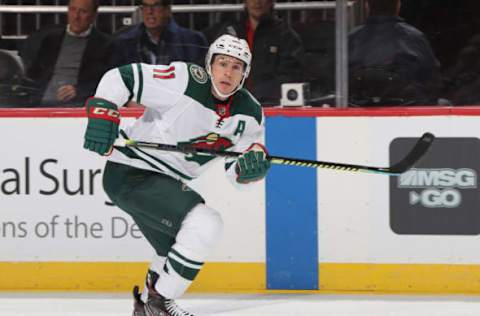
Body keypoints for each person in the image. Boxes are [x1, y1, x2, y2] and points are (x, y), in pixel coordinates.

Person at [82, 34, 270, 316]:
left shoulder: (250, 115)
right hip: (131, 172)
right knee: (206, 223)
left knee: (172, 249)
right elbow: (121, 77)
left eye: (236, 66)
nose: (228, 72)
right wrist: (103, 112)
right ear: (209, 65)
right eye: (222, 63)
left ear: (245, 73)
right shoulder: (185, 80)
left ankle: (146, 306)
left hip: (164, 182)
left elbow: (236, 172)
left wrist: (249, 170)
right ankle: (159, 303)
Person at [203, 0, 305, 106]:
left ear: (271, 2)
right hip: (230, 103)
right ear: (245, 2)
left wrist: (254, 94)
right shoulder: (230, 32)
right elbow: (211, 65)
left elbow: (290, 76)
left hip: (270, 105)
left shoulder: (286, 35)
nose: (257, 2)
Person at [19, 0, 112, 107]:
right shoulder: (49, 39)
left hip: (78, 105)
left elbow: (108, 82)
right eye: (73, 10)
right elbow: (34, 75)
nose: (76, 16)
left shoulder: (105, 45)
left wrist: (80, 91)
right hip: (42, 102)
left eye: (83, 11)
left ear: (93, 16)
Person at [348, 0, 441, 106]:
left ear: (367, 6)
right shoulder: (415, 37)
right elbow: (433, 81)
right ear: (398, 5)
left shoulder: (351, 39)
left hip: (357, 110)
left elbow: (336, 84)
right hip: (411, 112)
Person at [110, 0, 208, 68]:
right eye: (145, 6)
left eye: (156, 5)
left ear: (167, 10)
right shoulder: (124, 42)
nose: (149, 11)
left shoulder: (193, 40)